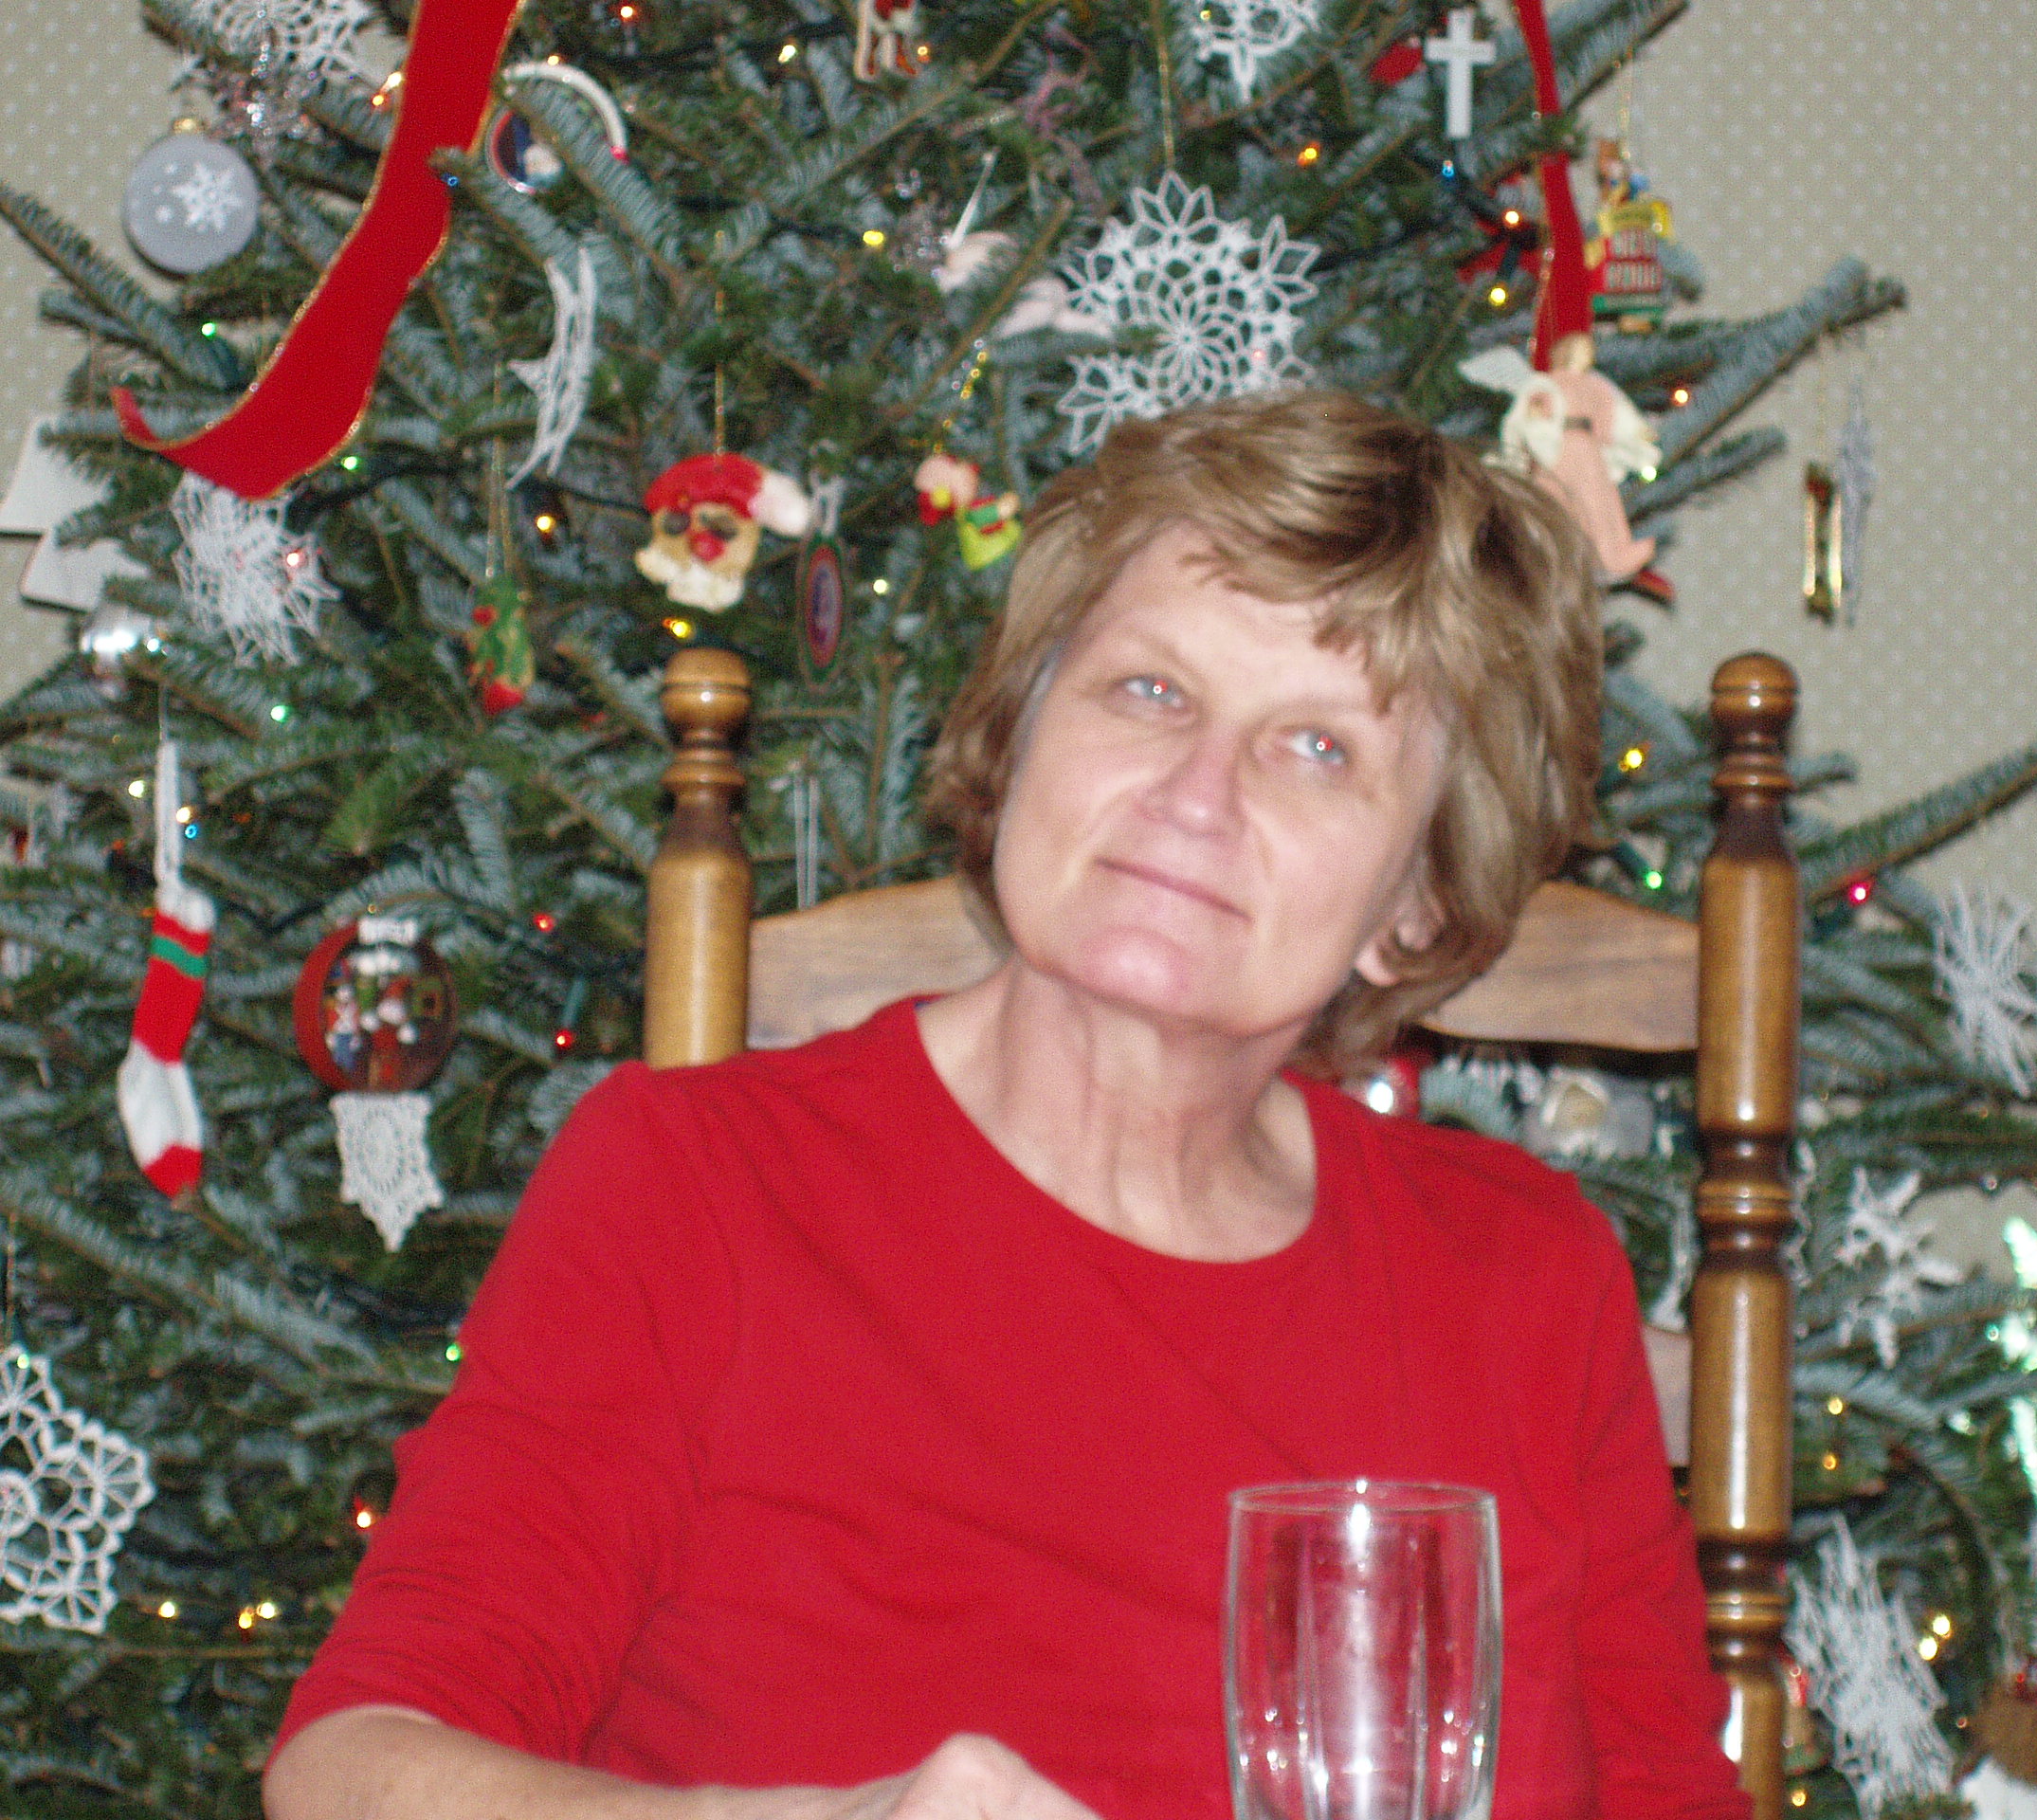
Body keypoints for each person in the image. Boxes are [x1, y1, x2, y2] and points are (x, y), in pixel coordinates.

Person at [264, 391, 1752, 1820]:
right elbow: (353, 1774)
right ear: (1024, 734)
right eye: (1149, 691)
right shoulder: (702, 1186)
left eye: (1318, 748)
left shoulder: (1528, 1281)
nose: (1196, 793)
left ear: (1415, 903)